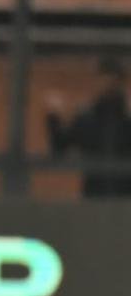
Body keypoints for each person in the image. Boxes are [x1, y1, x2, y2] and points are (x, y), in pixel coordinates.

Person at [46, 57, 131, 197]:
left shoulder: (88, 117)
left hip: (121, 200)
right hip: (98, 197)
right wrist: (53, 117)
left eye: (113, 81)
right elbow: (60, 147)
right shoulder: (86, 117)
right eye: (106, 80)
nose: (109, 85)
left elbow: (59, 147)